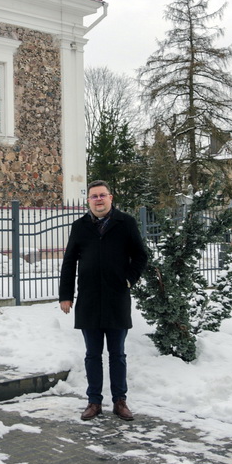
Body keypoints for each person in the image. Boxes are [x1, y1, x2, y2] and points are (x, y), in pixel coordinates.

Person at [59, 180, 148, 422]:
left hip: (116, 299)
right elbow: (69, 262)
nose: (98, 199)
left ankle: (120, 401)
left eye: (102, 195)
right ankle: (93, 402)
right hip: (88, 299)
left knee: (117, 354)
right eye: (94, 196)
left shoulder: (125, 223)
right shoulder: (80, 227)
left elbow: (141, 255)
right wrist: (65, 295)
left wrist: (129, 280)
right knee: (92, 355)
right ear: (88, 200)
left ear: (111, 198)